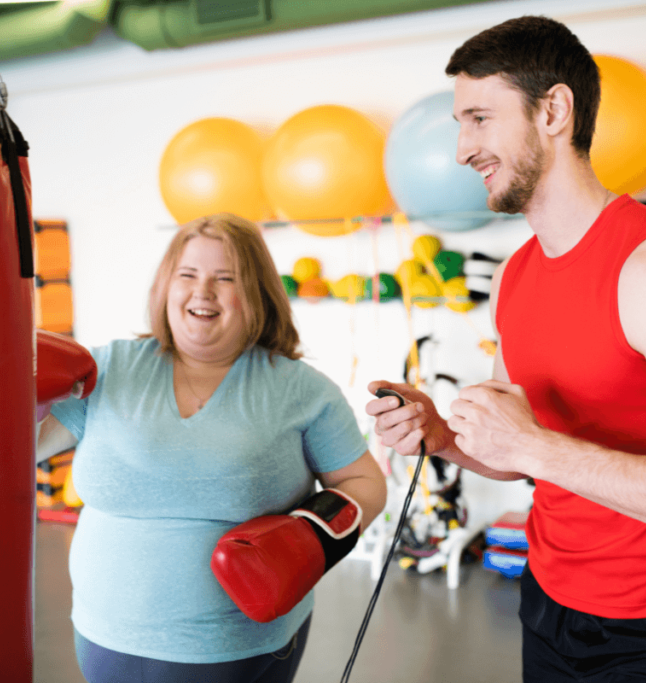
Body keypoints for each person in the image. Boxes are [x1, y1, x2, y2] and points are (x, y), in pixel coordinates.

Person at [367, 16, 646, 683]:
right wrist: (439, 434)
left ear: (554, 110)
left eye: (479, 118)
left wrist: (533, 448)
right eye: (459, 123)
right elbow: (519, 449)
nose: (461, 149)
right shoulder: (518, 274)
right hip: (549, 603)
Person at [37, 213, 386, 683]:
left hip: (236, 649)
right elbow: (19, 455)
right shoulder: (106, 369)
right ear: (166, 286)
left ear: (257, 293)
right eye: (188, 275)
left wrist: (311, 535)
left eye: (226, 278)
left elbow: (364, 482)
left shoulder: (301, 390)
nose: (203, 292)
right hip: (103, 638)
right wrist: (11, 391)